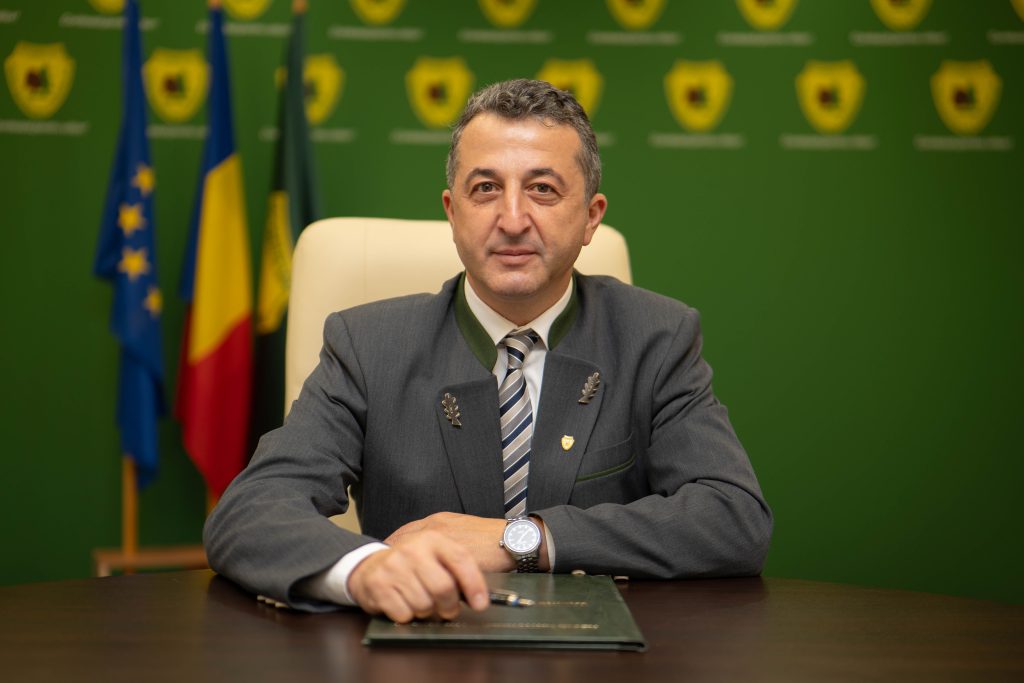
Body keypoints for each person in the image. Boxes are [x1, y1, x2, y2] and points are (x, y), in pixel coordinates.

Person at [204, 79, 772, 623]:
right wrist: (365, 569)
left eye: (543, 189)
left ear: (591, 217)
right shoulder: (367, 346)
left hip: (598, 657)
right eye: (485, 189)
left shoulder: (657, 337)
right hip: (417, 644)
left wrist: (522, 540)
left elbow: (734, 518)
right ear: (452, 212)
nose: (513, 220)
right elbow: (250, 512)